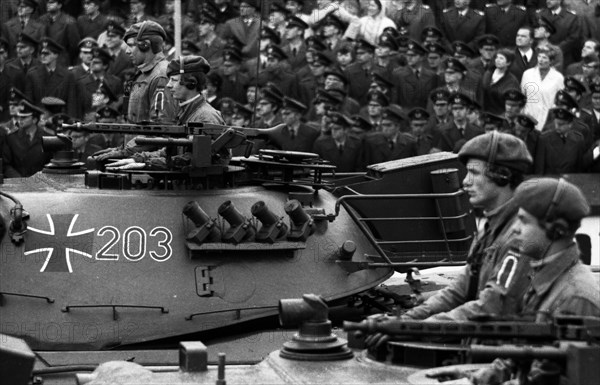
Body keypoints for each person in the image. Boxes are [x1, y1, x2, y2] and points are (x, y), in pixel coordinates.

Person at [105, 55, 224, 171]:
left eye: (174, 80)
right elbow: (170, 151)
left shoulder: (206, 116)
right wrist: (139, 158)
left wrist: (147, 163)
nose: (168, 85)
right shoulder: (186, 112)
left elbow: (196, 159)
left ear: (191, 83)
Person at [24, 37, 80, 118]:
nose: (43, 56)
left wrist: (69, 124)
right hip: (39, 120)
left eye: (47, 54)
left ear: (56, 55)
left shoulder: (67, 76)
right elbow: (29, 103)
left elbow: (71, 105)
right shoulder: (32, 74)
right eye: (41, 53)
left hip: (59, 119)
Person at [2, 100, 51, 177]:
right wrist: (19, 180)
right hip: (17, 183)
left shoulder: (48, 138)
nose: (20, 120)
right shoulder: (10, 138)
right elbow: (6, 165)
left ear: (34, 120)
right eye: (20, 117)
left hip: (41, 183)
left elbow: (52, 163)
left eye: (24, 117)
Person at [521, 46, 564, 131]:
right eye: (539, 57)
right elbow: (523, 96)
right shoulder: (527, 74)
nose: (540, 60)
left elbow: (560, 100)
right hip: (529, 116)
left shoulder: (558, 77)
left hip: (548, 120)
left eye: (544, 58)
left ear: (551, 61)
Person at [482, 49, 520, 115]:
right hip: (483, 113)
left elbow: (512, 103)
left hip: (499, 115)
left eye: (501, 58)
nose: (497, 60)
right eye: (497, 57)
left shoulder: (511, 81)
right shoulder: (488, 73)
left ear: (508, 63)